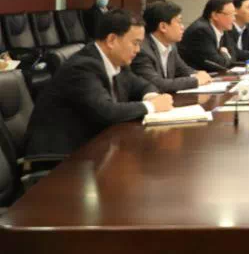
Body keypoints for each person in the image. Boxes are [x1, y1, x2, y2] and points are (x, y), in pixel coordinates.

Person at [23, 9, 174, 157]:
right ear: (111, 40)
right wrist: (152, 106)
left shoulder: (118, 62)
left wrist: (152, 96)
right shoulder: (82, 67)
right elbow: (106, 111)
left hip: (93, 146)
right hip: (62, 157)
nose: (138, 50)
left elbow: (143, 85)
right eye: (135, 43)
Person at [131, 1, 211, 92]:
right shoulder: (142, 50)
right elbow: (156, 84)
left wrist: (197, 74)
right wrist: (195, 80)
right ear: (163, 27)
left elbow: (183, 70)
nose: (182, 27)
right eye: (179, 22)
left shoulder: (171, 46)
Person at [178, 0, 236, 71]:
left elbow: (234, 55)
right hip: (194, 75)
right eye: (231, 14)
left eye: (234, 14)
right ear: (215, 15)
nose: (234, 19)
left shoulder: (222, 28)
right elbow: (217, 64)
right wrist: (225, 54)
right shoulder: (201, 31)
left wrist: (226, 57)